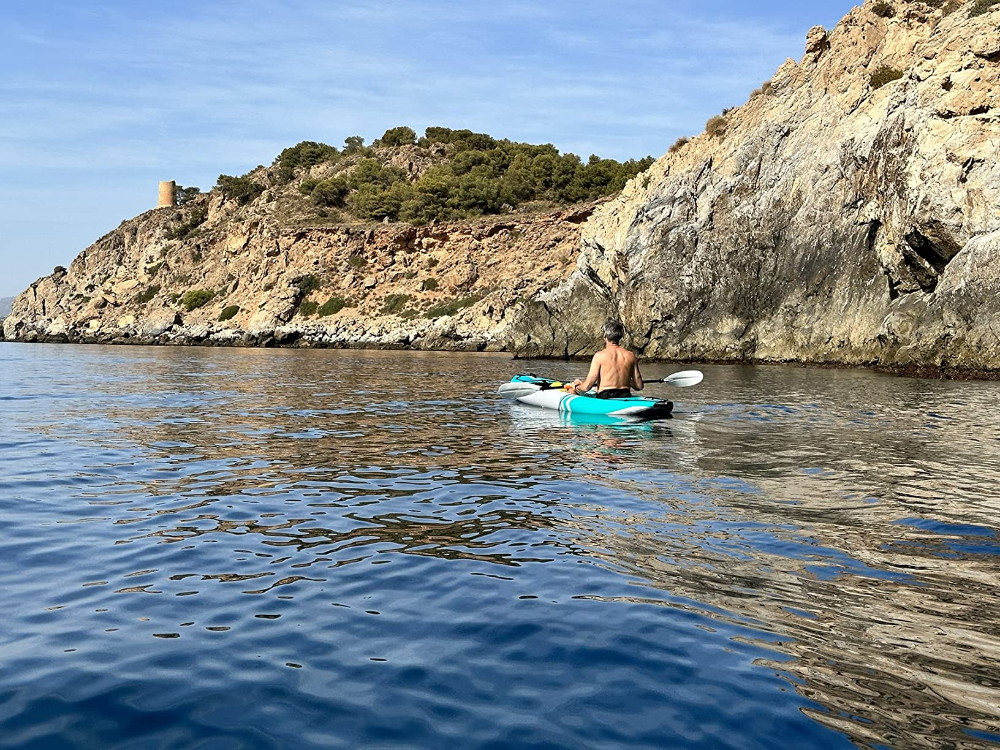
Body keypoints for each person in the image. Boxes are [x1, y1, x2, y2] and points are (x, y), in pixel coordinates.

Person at [568, 320, 644, 398]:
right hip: (625, 396)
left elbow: (586, 387)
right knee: (595, 389)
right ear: (620, 336)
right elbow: (639, 386)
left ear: (605, 336)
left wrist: (576, 386)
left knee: (571, 391)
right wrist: (626, 380)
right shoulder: (630, 356)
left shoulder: (599, 356)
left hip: (605, 397)